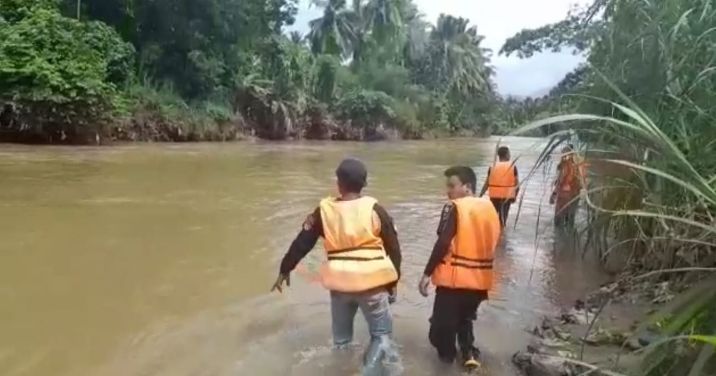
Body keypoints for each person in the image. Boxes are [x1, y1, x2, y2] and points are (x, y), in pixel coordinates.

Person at [271, 158, 402, 375]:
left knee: (341, 341)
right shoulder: (376, 210)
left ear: (338, 183)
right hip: (372, 285)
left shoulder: (323, 211)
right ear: (364, 184)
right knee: (381, 337)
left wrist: (284, 270)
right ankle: (369, 371)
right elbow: (394, 249)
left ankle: (341, 369)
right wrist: (393, 281)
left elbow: (302, 243)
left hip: (340, 287)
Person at [419, 166, 501, 370]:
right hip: (479, 281)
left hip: (454, 280)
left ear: (467, 187)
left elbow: (443, 242)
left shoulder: (455, 207)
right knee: (465, 318)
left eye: (452, 186)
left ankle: (446, 363)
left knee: (439, 333)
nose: (448, 191)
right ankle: (468, 353)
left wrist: (426, 273)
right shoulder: (490, 208)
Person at [480, 146, 519, 228]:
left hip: (494, 197)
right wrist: (515, 197)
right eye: (509, 154)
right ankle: (502, 237)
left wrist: (480, 195)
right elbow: (517, 185)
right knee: (503, 221)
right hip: (506, 197)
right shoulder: (512, 167)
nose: (510, 155)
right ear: (507, 155)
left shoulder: (492, 167)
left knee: (493, 219)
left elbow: (486, 184)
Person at [550, 144, 585, 228]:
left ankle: (558, 239)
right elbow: (582, 183)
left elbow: (560, 180)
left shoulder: (564, 165)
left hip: (564, 195)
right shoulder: (579, 165)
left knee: (558, 222)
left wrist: (553, 194)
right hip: (575, 195)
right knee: (570, 220)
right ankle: (567, 239)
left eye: (563, 154)